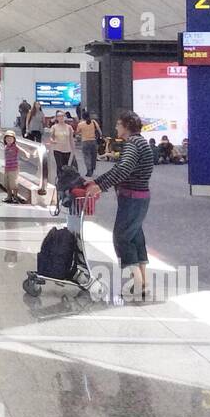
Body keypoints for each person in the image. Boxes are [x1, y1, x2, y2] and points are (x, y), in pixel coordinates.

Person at [84, 110, 155, 302]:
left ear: (126, 126)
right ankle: (144, 283)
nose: (116, 127)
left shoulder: (132, 144)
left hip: (131, 198)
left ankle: (137, 282)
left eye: (118, 124)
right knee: (135, 237)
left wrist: (99, 186)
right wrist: (97, 182)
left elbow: (123, 169)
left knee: (122, 237)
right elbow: (118, 168)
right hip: (141, 197)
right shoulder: (142, 143)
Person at [45, 111, 74, 181]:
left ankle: (65, 181)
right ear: (57, 118)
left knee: (66, 166)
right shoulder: (54, 127)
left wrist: (73, 149)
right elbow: (50, 137)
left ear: (64, 117)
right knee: (59, 166)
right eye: (59, 116)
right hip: (57, 149)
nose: (61, 118)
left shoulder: (69, 127)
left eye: (62, 116)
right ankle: (60, 181)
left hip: (67, 149)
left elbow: (71, 139)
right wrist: (52, 141)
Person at [75, 108, 101, 176]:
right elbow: (99, 130)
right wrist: (101, 136)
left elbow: (77, 132)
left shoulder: (80, 124)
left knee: (87, 156)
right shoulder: (94, 122)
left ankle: (88, 169)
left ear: (83, 117)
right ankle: (92, 168)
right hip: (93, 141)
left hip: (85, 142)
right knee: (93, 156)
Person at [2, 131, 20, 203]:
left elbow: (21, 150)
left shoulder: (15, 146)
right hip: (7, 168)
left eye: (11, 138)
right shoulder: (6, 147)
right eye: (7, 138)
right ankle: (9, 196)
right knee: (7, 184)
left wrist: (27, 153)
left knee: (13, 184)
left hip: (14, 168)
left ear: (14, 139)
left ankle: (15, 197)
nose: (9, 140)